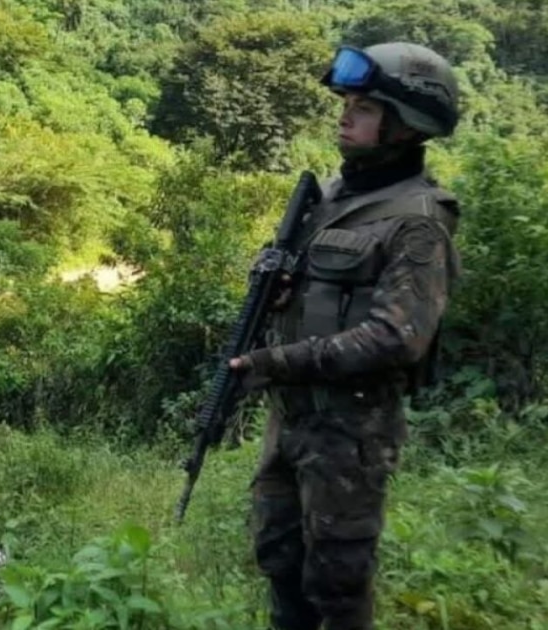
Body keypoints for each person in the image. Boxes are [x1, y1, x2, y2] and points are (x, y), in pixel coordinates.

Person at [229, 42, 462, 630]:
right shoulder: (335, 199)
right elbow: (319, 293)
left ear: (406, 125)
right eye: (347, 103)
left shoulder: (417, 220)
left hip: (352, 431)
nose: (345, 115)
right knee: (280, 561)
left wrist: (277, 360)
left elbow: (396, 337)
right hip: (293, 419)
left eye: (364, 107)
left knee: (336, 583)